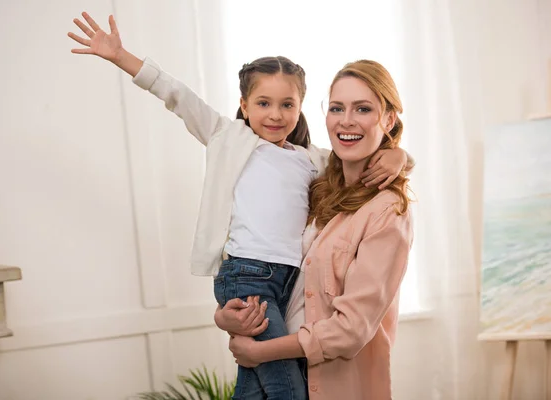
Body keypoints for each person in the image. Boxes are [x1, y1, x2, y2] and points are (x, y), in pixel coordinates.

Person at [68, 12, 411, 399]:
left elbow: (355, 153)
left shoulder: (309, 161)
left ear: (300, 108)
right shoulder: (228, 138)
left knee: (255, 380)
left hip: (284, 286)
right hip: (248, 274)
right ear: (244, 106)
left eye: (287, 104)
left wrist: (399, 155)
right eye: (263, 103)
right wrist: (122, 57)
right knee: (284, 388)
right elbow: (178, 95)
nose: (275, 114)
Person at [219, 59, 414, 400]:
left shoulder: (388, 210)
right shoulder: (317, 184)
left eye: (363, 108)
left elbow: (351, 329)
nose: (347, 120)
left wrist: (261, 352)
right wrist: (227, 316)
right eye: (337, 108)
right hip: (279, 374)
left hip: (332, 385)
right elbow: (277, 274)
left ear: (389, 119)